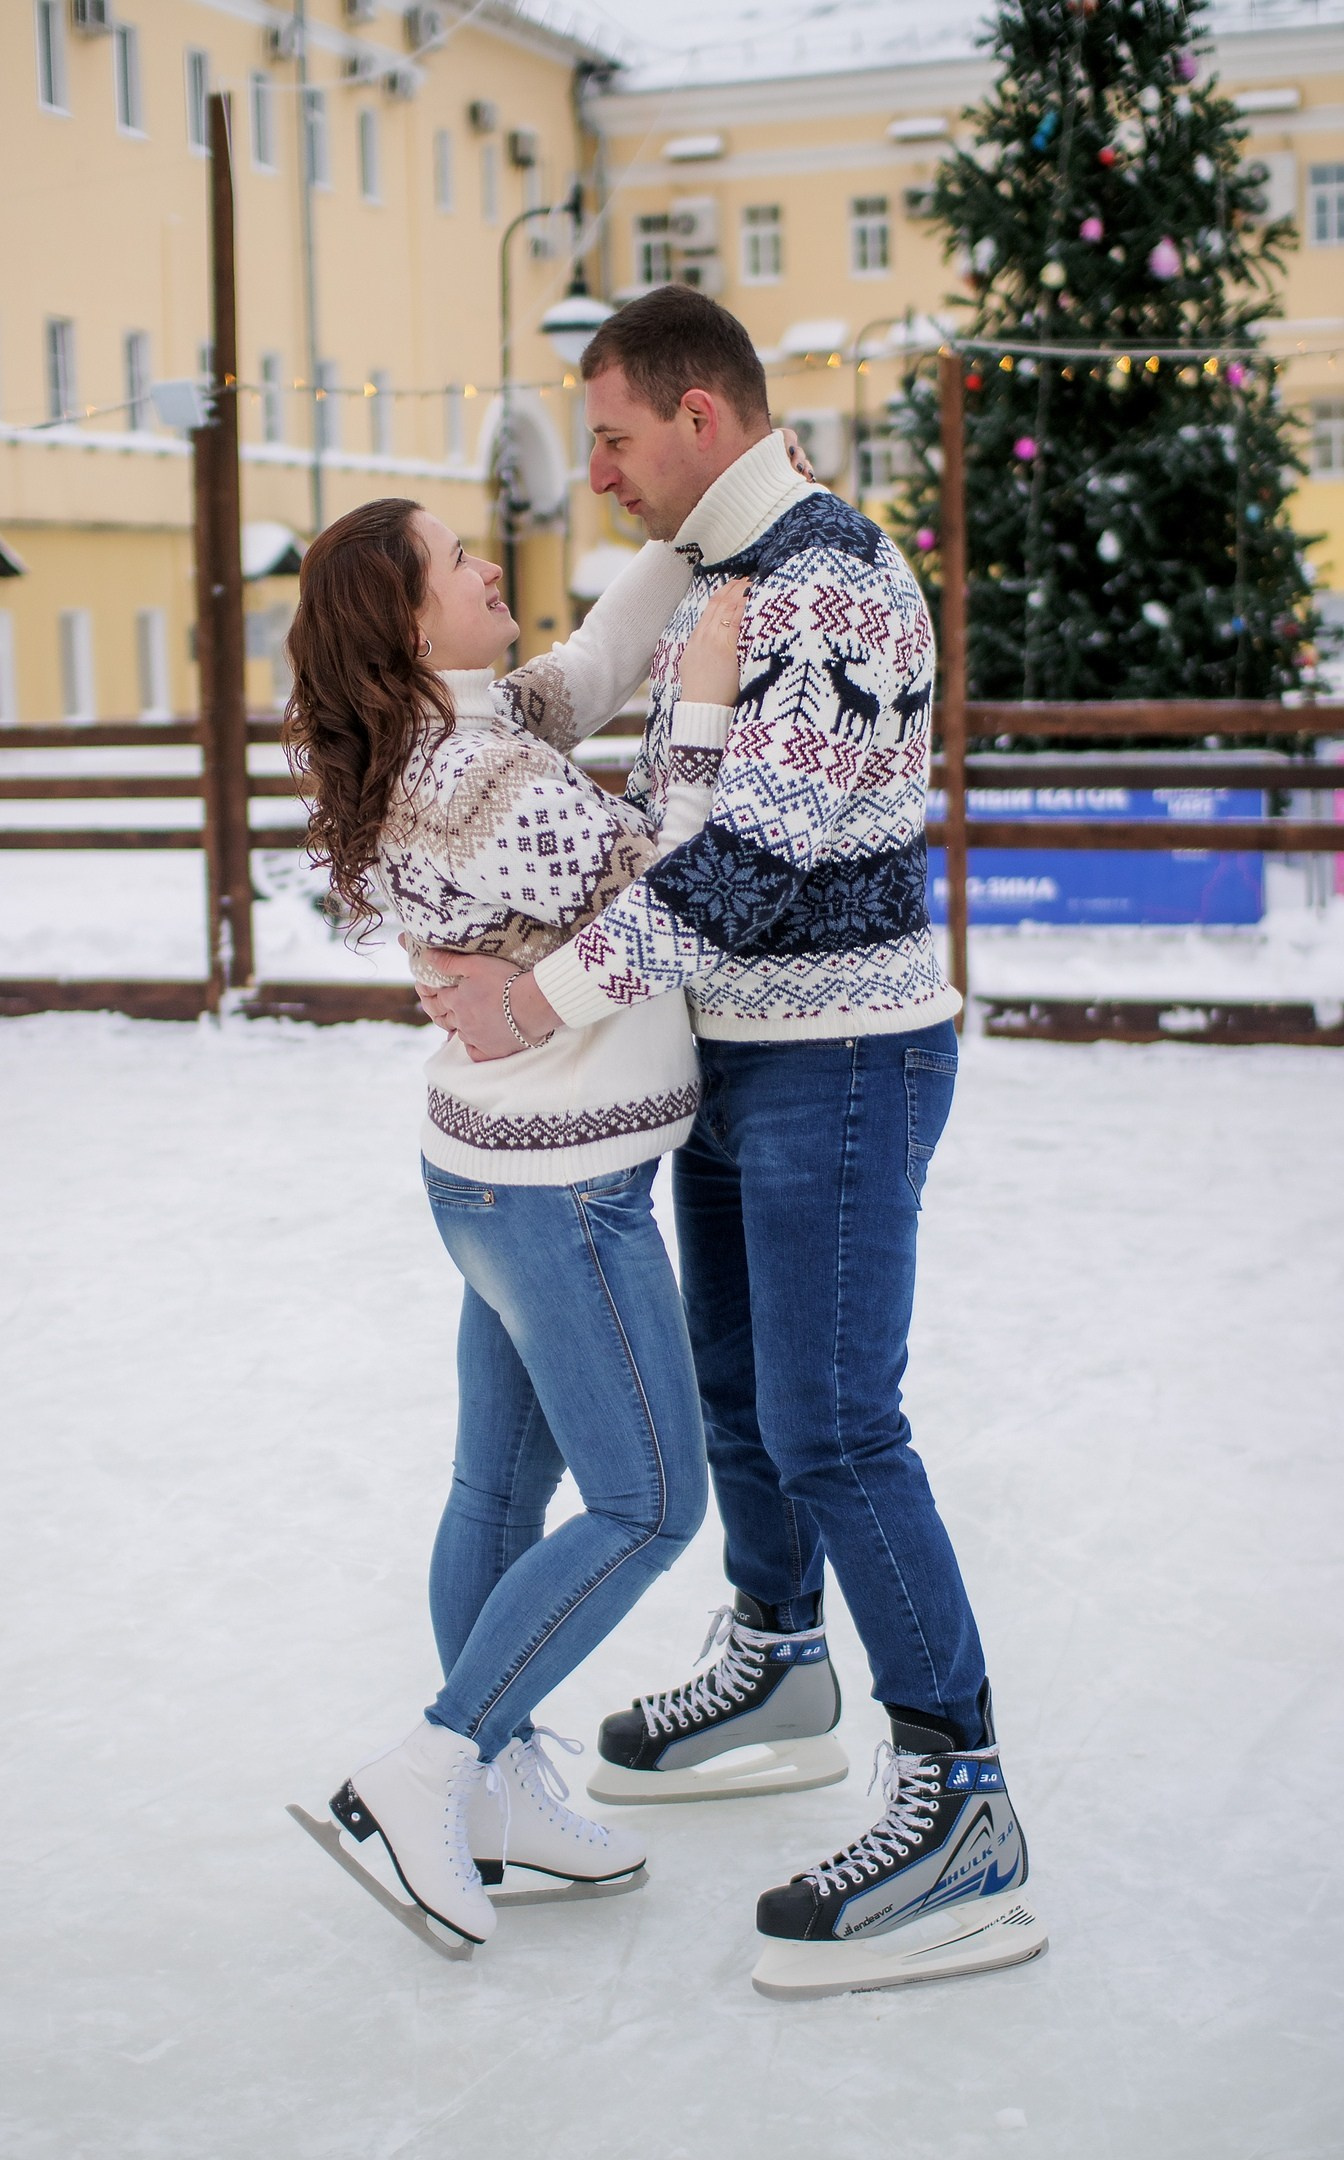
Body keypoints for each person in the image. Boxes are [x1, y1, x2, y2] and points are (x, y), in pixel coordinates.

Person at [420, 287, 1047, 1997]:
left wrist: (531, 998)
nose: (592, 470)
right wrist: (385, 708)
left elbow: (751, 871)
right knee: (735, 1394)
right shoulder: (695, 563)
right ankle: (780, 1661)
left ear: (701, 417)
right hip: (725, 1049)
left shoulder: (829, 578)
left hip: (844, 1055)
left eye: (612, 435)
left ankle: (963, 1803)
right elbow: (545, 706)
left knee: (836, 1423)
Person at [283, 493, 750, 1948]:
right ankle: (434, 1761)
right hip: (563, 1192)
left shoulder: (466, 735)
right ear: (408, 621)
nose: (492, 563)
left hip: (495, 1171)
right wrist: (718, 701)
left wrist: (697, 531)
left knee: (499, 1498)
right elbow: (672, 897)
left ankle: (488, 1782)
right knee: (652, 1499)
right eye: (457, 559)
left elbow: (593, 665)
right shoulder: (483, 779)